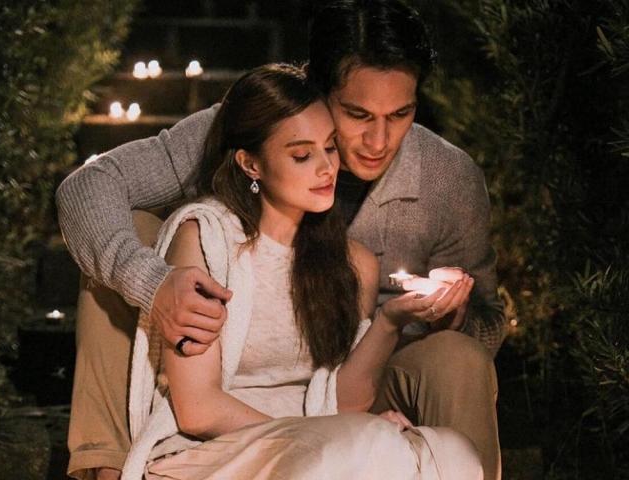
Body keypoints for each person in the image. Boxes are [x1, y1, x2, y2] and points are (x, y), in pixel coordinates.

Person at [57, 1, 505, 479]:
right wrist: (151, 284)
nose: (378, 141)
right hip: (236, 399)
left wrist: (446, 316)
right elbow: (88, 188)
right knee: (125, 234)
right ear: (317, 90)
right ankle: (107, 463)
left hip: (364, 381)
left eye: (400, 114)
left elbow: (489, 322)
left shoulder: (446, 178)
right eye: (356, 114)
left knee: (458, 362)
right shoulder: (249, 129)